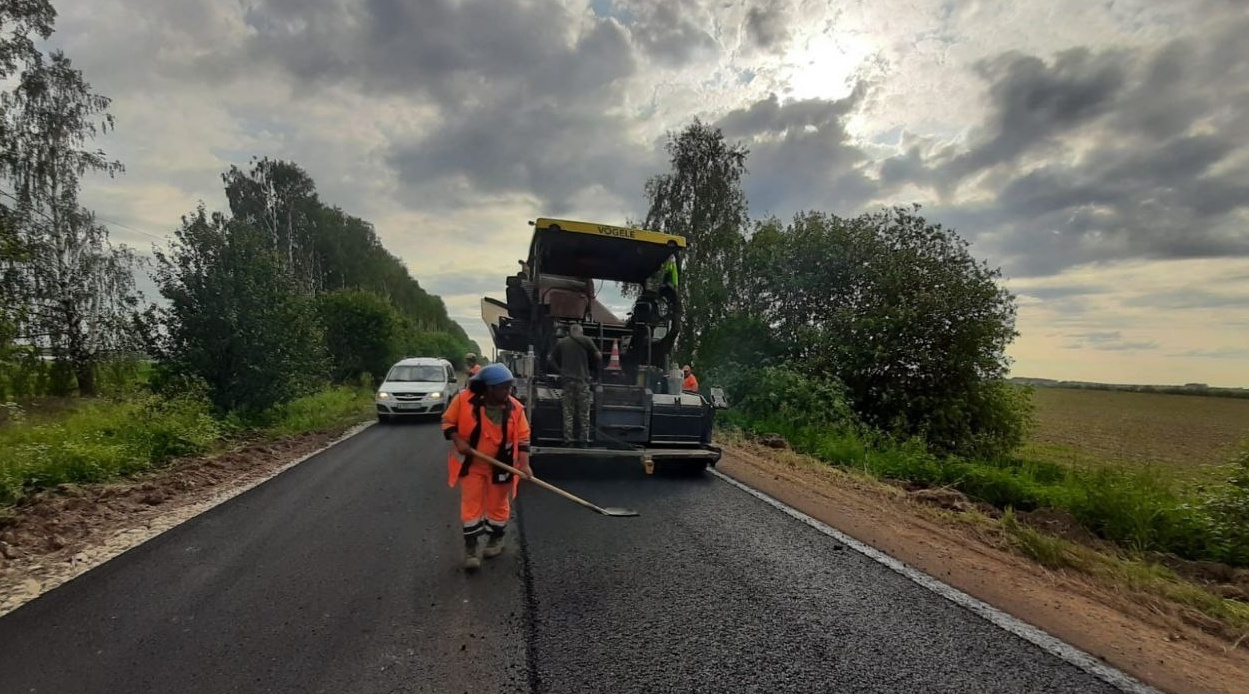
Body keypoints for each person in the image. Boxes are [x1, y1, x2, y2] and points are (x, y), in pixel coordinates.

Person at [441, 363, 532, 571]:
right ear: (489, 388)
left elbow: (524, 438)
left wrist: (525, 465)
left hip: (500, 466)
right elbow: (447, 423)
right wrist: (458, 440)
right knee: (471, 506)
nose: (508, 392)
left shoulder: (515, 409)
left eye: (509, 387)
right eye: (503, 388)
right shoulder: (464, 400)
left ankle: (496, 540)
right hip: (472, 464)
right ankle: (471, 549)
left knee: (497, 505)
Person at [547, 323, 601, 446]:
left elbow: (549, 358)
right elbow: (598, 356)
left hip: (567, 381)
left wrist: (560, 371)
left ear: (570, 332)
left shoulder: (562, 342)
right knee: (584, 412)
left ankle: (568, 439)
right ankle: (584, 439)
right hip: (582, 382)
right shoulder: (586, 340)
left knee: (568, 412)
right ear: (580, 331)